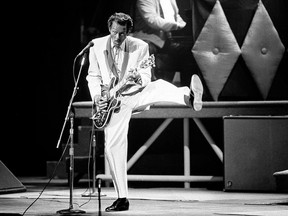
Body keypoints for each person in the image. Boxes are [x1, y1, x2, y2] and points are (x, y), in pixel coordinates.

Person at [86, 12, 203, 212]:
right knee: (113, 148)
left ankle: (188, 97)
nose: (117, 37)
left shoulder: (140, 47)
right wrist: (97, 97)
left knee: (157, 87)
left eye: (122, 34)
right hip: (112, 102)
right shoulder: (96, 45)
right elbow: (93, 76)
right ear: (109, 29)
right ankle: (122, 198)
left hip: (133, 93)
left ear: (128, 32)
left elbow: (146, 76)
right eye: (114, 32)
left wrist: (137, 78)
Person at [132, 0, 193, 86]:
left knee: (187, 51)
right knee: (147, 48)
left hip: (165, 40)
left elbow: (176, 17)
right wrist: (177, 26)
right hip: (148, 39)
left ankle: (186, 91)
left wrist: (184, 25)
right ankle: (149, 88)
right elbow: (152, 20)